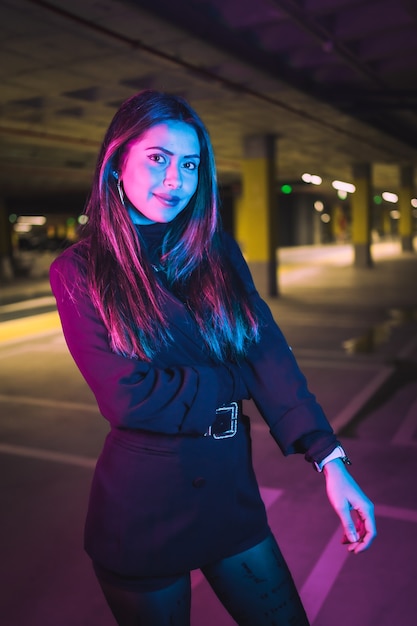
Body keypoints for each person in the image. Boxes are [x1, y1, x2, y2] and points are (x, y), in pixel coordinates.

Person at [50, 90, 376, 626]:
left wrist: (330, 459)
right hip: (143, 510)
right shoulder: (80, 271)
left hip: (229, 494)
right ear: (117, 163)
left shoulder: (216, 251)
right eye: (157, 158)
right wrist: (233, 378)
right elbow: (127, 398)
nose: (175, 180)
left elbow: (266, 353)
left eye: (190, 164)